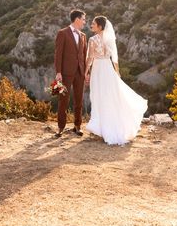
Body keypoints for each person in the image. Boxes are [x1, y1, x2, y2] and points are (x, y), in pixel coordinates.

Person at [85, 16, 148, 145]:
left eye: (93, 23)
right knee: (111, 96)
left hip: (97, 69)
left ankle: (102, 128)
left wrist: (85, 71)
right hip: (108, 69)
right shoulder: (109, 39)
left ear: (100, 26)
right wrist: (117, 72)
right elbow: (115, 58)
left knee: (99, 96)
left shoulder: (92, 40)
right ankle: (112, 126)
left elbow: (90, 58)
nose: (91, 25)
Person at [54, 9, 88, 137]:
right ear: (77, 19)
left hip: (80, 72)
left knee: (79, 100)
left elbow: (84, 56)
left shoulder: (83, 36)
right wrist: (58, 72)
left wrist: (86, 72)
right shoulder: (62, 33)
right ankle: (60, 128)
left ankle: (77, 126)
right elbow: (58, 55)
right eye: (83, 19)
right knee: (63, 100)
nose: (84, 22)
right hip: (66, 73)